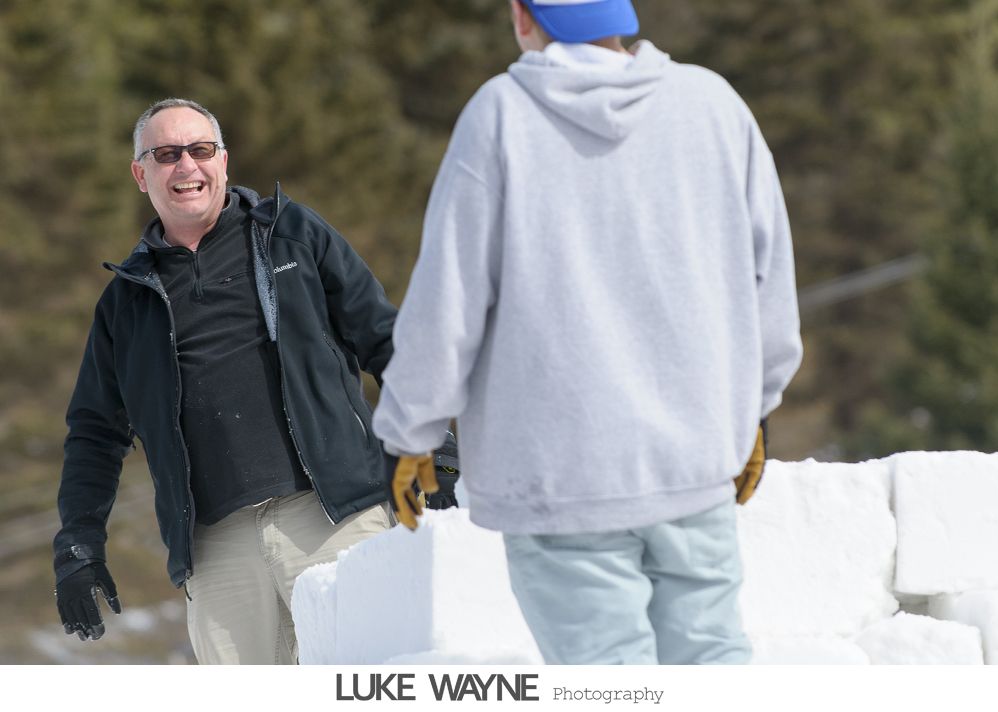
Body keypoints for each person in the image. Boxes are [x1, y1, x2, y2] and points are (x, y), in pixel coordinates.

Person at [372, 0, 802, 665]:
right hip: (692, 465)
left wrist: (409, 431)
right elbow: (769, 283)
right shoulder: (713, 104)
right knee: (712, 664)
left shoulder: (502, 114)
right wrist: (752, 412)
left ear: (523, 17)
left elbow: (449, 298)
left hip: (559, 479)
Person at [52, 98, 457, 664]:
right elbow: (94, 433)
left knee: (368, 682)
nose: (186, 167)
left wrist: (435, 445)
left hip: (332, 515)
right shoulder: (124, 304)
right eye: (166, 155)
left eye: (200, 150)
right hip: (216, 548)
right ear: (140, 174)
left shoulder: (290, 234)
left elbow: (384, 339)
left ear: (223, 160)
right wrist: (78, 542)